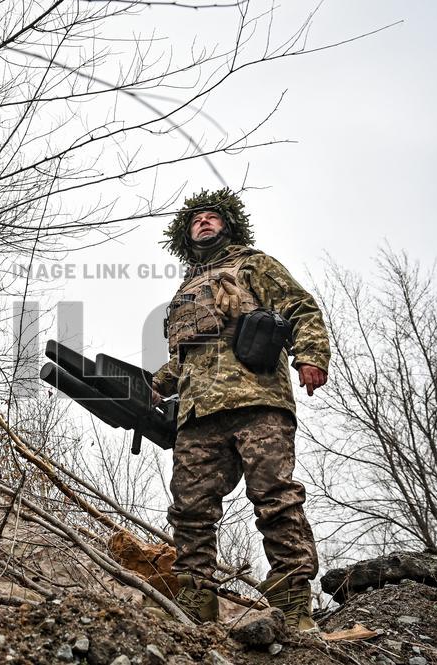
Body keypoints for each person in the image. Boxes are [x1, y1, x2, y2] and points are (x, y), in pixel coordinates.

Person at [149, 188, 330, 631]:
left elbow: (301, 307)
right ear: (186, 233)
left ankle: (291, 600)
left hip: (257, 400)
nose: (204, 223)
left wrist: (310, 354)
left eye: (212, 217)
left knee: (274, 497)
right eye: (197, 220)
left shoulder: (254, 264)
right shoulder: (186, 289)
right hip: (198, 415)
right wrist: (157, 385)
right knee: (190, 509)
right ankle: (196, 600)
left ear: (227, 224)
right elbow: (185, 356)